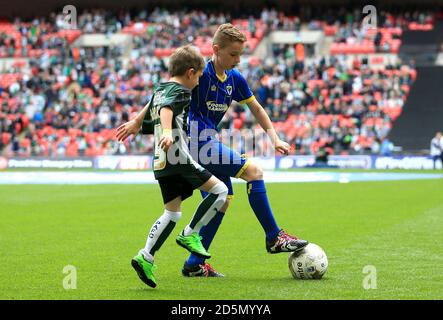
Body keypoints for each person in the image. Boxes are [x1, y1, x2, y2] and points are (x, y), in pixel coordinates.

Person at [182, 23, 308, 277]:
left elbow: (257, 108)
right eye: (233, 54)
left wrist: (275, 139)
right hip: (196, 142)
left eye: (241, 54)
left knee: (221, 200)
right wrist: (141, 122)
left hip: (208, 141)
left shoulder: (234, 79)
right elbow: (167, 91)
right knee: (254, 172)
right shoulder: (199, 73)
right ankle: (274, 237)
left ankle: (194, 264)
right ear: (216, 49)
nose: (238, 60)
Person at [116, 45, 228, 288]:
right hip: (177, 155)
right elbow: (166, 108)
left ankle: (145, 256)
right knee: (221, 192)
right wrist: (168, 131)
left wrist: (136, 122)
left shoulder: (161, 87)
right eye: (198, 76)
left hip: (161, 161)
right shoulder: (182, 91)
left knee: (172, 212)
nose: (199, 82)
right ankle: (191, 234)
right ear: (190, 73)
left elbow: (156, 102)